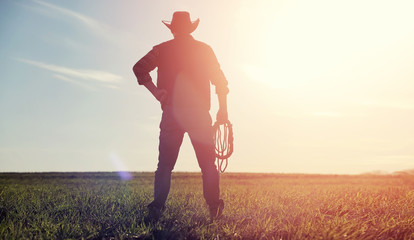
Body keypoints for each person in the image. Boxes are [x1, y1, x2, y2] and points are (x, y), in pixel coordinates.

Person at [133, 11, 229, 220]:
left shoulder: (161, 50)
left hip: (172, 113)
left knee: (165, 165)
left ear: (173, 29)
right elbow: (220, 81)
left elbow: (139, 68)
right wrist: (223, 110)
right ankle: (214, 208)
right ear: (190, 28)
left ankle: (157, 208)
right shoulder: (205, 50)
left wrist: (156, 92)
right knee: (208, 165)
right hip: (199, 114)